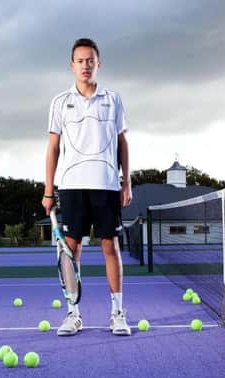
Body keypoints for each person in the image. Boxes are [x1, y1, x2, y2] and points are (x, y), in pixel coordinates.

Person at [42, 38, 133, 336]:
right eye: (80, 61)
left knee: (110, 246)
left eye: (90, 60)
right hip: (71, 187)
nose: (85, 65)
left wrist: (126, 182)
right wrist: (48, 189)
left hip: (106, 185)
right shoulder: (59, 102)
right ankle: (73, 314)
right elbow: (53, 148)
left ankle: (118, 313)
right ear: (72, 65)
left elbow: (122, 142)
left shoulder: (113, 99)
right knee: (72, 248)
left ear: (98, 63)